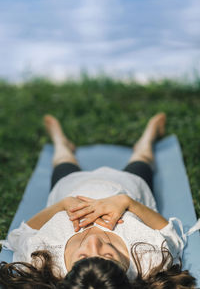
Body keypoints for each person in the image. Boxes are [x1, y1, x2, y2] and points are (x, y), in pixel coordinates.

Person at [0, 113, 197, 289]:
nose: (94, 242)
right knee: (143, 157)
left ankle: (60, 141)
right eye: (109, 255)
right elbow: (170, 233)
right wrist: (126, 202)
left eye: (82, 257)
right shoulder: (145, 260)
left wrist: (62, 205)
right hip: (128, 185)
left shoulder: (45, 262)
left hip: (70, 187)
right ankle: (148, 136)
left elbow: (19, 236)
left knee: (63, 159)